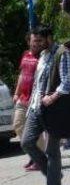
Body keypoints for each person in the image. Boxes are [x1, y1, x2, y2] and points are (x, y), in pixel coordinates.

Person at [20, 26, 70, 185]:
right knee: (26, 142)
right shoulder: (42, 55)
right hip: (36, 108)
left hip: (54, 110)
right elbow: (38, 84)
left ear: (49, 38)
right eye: (33, 41)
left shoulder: (62, 54)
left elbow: (68, 82)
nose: (34, 44)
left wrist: (52, 97)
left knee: (52, 151)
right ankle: (54, 174)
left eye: (38, 41)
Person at [13, 32, 45, 172]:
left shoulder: (43, 57)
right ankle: (34, 154)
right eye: (34, 41)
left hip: (35, 99)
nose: (37, 43)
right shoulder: (26, 55)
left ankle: (39, 158)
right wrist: (16, 93)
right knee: (18, 125)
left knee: (35, 130)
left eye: (39, 41)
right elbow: (22, 75)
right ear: (29, 42)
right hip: (23, 97)